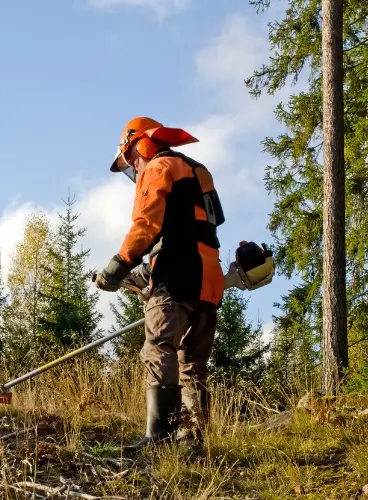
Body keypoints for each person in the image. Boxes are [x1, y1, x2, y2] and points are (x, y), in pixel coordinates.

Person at [94, 117, 243, 451]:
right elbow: (192, 228)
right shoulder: (197, 169)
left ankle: (159, 437)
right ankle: (192, 442)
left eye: (130, 157)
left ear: (140, 143)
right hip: (208, 278)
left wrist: (116, 267)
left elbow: (147, 225)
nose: (133, 165)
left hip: (176, 275)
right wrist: (145, 272)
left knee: (159, 348)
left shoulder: (158, 167)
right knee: (192, 363)